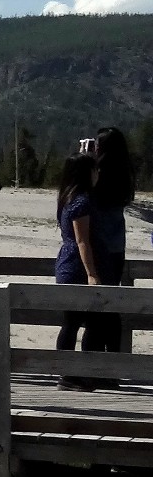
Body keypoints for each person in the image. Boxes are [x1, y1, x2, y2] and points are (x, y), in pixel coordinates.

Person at [84, 128, 136, 374]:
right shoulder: (125, 173)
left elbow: (86, 195)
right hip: (117, 245)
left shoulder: (101, 174)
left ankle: (92, 367)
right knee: (112, 303)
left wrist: (86, 161)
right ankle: (113, 364)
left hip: (100, 244)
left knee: (97, 306)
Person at [55, 153, 105, 391]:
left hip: (67, 262)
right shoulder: (82, 201)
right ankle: (75, 374)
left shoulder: (67, 197)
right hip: (76, 266)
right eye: (95, 170)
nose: (98, 174)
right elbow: (82, 240)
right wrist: (92, 274)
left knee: (72, 322)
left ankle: (71, 373)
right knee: (88, 321)